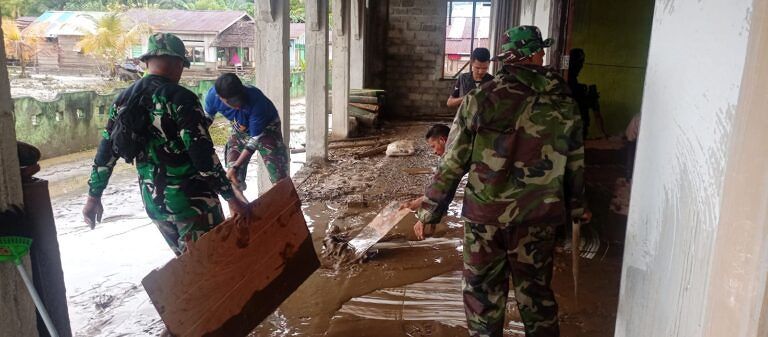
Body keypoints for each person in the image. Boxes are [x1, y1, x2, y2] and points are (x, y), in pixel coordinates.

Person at [414, 26, 590, 337]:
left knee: (482, 295)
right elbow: (574, 163)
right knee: (536, 296)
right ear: (533, 55)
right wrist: (577, 209)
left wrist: (430, 212)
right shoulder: (564, 103)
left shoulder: (480, 99)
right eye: (540, 51)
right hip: (537, 219)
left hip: (485, 220)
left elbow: (453, 161)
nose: (543, 55)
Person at [82, 33, 248, 256]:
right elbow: (202, 157)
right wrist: (232, 198)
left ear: (148, 61)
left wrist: (94, 196)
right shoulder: (181, 98)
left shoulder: (123, 99)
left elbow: (106, 153)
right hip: (193, 204)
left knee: (188, 267)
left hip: (156, 205)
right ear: (178, 63)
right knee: (213, 269)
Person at [204, 73, 289, 199]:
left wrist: (236, 165)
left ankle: (287, 210)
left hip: (267, 129)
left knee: (280, 178)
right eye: (232, 102)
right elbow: (207, 118)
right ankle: (241, 216)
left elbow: (254, 140)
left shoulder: (256, 99)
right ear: (220, 97)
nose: (238, 104)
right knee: (233, 179)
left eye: (239, 98)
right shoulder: (212, 97)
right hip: (240, 131)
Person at [400, 124, 451, 213]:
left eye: (433, 146)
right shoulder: (457, 146)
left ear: (443, 140)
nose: (434, 152)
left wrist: (416, 207)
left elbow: (440, 189)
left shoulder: (454, 157)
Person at [568, 48, 607, 139]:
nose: (581, 66)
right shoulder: (566, 81)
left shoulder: (574, 83)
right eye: (578, 62)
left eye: (581, 62)